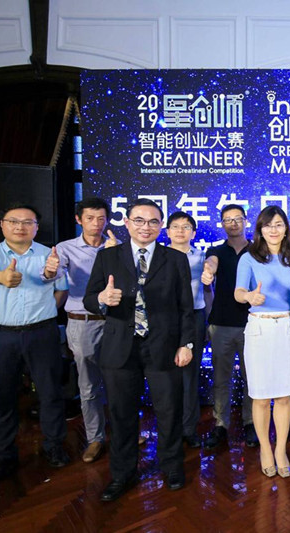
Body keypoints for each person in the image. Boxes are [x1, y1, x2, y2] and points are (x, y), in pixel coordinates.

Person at [84, 198, 196, 501]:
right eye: (139, 220)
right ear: (127, 222)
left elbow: (186, 307)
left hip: (164, 347)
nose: (146, 227)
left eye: (153, 221)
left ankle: (172, 467)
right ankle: (122, 474)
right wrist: (102, 299)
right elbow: (89, 298)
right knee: (121, 414)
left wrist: (186, 344)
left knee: (169, 411)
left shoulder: (175, 259)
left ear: (161, 226)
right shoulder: (108, 256)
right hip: (120, 347)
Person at [0, 204, 70, 485]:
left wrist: (46, 309)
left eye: (28, 222)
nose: (20, 227)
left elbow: (61, 288)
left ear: (36, 227)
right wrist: (2, 277)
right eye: (13, 221)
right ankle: (4, 456)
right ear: (2, 225)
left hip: (42, 334)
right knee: (2, 397)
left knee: (51, 393)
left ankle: (53, 446)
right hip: (1, 336)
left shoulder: (49, 255)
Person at [45, 197, 118, 464]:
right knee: (88, 385)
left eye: (101, 218)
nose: (96, 223)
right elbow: (54, 274)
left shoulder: (116, 246)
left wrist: (115, 256)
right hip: (82, 321)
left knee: (120, 381)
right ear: (79, 220)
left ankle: (124, 432)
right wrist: (50, 270)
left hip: (115, 322)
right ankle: (95, 438)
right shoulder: (65, 249)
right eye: (89, 218)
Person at [234, 205, 290, 478]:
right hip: (259, 328)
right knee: (261, 397)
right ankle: (265, 448)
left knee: (284, 396)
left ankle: (281, 450)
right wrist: (249, 296)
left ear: (286, 228)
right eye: (268, 225)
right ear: (260, 229)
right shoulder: (249, 258)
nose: (273, 230)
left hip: (287, 327)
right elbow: (238, 292)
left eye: (278, 224)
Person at [202, 204, 257, 448]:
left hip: (252, 324)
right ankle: (220, 425)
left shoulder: (257, 250)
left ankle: (250, 422)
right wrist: (208, 271)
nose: (233, 223)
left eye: (237, 218)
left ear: (246, 221)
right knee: (221, 378)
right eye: (227, 219)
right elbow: (211, 263)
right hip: (221, 324)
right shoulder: (216, 251)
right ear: (222, 224)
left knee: (251, 378)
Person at [166, 211, 207, 449]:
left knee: (190, 374)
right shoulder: (157, 257)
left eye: (186, 227)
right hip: (164, 320)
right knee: (166, 375)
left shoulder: (202, 257)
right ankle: (169, 428)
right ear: (167, 231)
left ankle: (189, 428)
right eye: (175, 227)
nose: (180, 231)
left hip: (193, 318)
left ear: (193, 233)